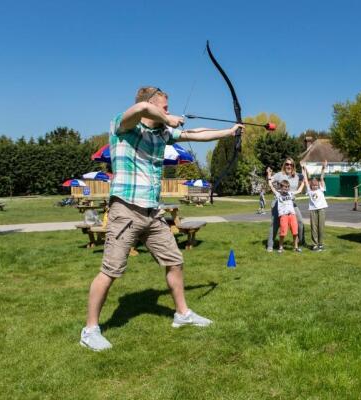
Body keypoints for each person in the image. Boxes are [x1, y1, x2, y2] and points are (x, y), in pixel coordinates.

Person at [80, 86, 245, 351]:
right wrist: (166, 117)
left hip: (153, 212)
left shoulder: (162, 134)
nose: (168, 111)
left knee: (175, 260)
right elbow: (141, 110)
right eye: (164, 107)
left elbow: (195, 133)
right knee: (110, 270)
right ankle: (90, 330)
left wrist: (229, 132)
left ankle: (182, 314)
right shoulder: (123, 126)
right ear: (151, 105)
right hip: (126, 209)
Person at [266, 158, 305, 251]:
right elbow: (270, 181)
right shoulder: (280, 175)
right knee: (275, 224)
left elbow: (305, 178)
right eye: (287, 164)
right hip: (279, 203)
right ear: (284, 165)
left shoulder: (296, 175)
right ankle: (270, 245)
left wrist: (304, 168)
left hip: (291, 204)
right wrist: (269, 174)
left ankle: (301, 242)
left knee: (300, 222)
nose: (289, 166)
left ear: (293, 166)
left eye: (291, 165)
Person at [301, 160, 329, 251]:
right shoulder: (309, 190)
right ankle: (314, 244)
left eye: (316, 184)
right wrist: (303, 168)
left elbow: (321, 178)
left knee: (321, 227)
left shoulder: (321, 189)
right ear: (311, 185)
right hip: (312, 210)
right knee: (314, 227)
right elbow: (305, 179)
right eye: (313, 185)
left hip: (321, 209)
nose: (314, 186)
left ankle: (320, 244)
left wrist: (323, 167)